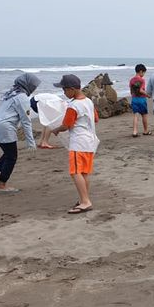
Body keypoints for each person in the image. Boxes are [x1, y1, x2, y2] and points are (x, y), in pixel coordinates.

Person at [51, 74, 100, 214]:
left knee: (75, 172)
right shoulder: (88, 101)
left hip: (79, 142)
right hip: (90, 142)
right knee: (84, 172)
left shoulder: (73, 105)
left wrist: (56, 130)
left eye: (64, 89)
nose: (64, 92)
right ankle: (83, 198)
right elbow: (96, 119)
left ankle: (85, 201)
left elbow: (66, 125)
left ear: (72, 89)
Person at [0, 73, 41, 192]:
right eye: (34, 86)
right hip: (5, 127)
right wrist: (31, 143)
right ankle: (2, 184)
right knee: (12, 156)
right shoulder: (22, 98)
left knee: (8, 153)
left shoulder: (10, 94)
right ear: (28, 85)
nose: (34, 88)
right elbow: (26, 121)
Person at [129, 63, 151, 137]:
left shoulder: (131, 80)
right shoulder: (141, 80)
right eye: (144, 72)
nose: (144, 74)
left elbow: (131, 91)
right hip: (141, 99)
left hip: (134, 99)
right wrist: (147, 95)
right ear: (141, 71)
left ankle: (134, 131)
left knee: (136, 115)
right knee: (144, 115)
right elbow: (141, 90)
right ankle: (145, 131)